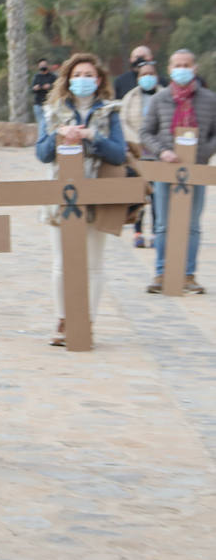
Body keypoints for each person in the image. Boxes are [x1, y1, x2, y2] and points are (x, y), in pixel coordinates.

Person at [36, 53, 128, 345]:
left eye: (88, 75)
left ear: (98, 79)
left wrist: (91, 136)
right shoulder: (53, 110)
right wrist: (60, 135)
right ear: (68, 79)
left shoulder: (110, 112)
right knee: (61, 262)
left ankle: (87, 321)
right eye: (77, 75)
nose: (82, 80)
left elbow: (119, 153)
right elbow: (42, 153)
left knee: (94, 263)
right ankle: (64, 320)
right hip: (61, 195)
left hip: (97, 195)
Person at [142, 49, 216, 295]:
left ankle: (188, 275)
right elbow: (146, 132)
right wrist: (162, 151)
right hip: (165, 170)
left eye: (186, 65)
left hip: (196, 170)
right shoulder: (159, 99)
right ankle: (162, 273)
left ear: (194, 69)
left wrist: (203, 151)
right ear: (170, 69)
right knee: (163, 224)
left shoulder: (209, 99)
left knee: (192, 225)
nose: (182, 69)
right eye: (177, 65)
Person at [120, 60, 162, 248]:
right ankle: (138, 232)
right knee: (139, 193)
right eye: (143, 74)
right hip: (137, 154)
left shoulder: (164, 96)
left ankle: (155, 232)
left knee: (156, 195)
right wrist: (136, 141)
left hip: (157, 154)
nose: (147, 77)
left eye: (150, 74)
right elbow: (123, 121)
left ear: (156, 75)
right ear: (138, 77)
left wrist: (154, 143)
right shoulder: (131, 97)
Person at [31, 58, 57, 126]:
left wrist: (50, 86)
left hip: (49, 103)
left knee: (49, 123)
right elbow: (31, 90)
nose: (43, 66)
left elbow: (58, 88)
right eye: (41, 65)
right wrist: (35, 88)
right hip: (38, 104)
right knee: (41, 124)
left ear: (47, 65)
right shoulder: (36, 77)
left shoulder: (53, 77)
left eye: (44, 65)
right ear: (38, 66)